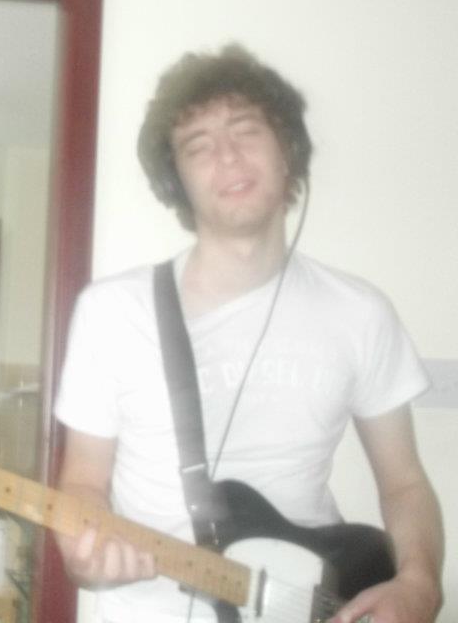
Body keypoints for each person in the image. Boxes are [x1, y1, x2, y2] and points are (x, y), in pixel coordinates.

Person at [54, 44, 443, 623]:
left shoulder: (362, 314)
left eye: (246, 130)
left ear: (288, 151)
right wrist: (85, 556)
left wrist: (419, 583)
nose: (228, 156)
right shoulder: (111, 312)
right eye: (198, 146)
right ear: (177, 181)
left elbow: (405, 483)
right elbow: (83, 482)